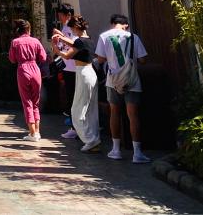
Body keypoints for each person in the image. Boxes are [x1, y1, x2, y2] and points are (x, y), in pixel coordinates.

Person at [95, 14, 150, 163]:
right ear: (126, 25)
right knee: (133, 115)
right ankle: (137, 153)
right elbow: (143, 59)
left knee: (114, 113)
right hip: (132, 80)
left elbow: (100, 59)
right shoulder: (133, 37)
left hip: (112, 80)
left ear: (112, 24)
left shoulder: (104, 36)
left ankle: (116, 150)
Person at [53, 16, 100, 152]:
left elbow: (68, 55)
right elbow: (74, 43)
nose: (72, 32)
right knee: (91, 110)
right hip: (90, 73)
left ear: (75, 27)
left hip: (83, 74)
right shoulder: (89, 39)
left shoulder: (79, 41)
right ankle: (94, 139)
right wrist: (61, 37)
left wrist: (57, 50)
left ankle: (90, 140)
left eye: (72, 29)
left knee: (77, 110)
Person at [8, 19, 46, 142]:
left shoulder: (15, 42)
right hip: (35, 70)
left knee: (27, 102)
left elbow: (12, 59)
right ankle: (37, 132)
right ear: (28, 29)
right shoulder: (36, 41)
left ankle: (32, 132)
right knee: (36, 102)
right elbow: (43, 57)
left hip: (23, 70)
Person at [53, 3, 79, 139]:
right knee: (71, 97)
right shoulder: (65, 27)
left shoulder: (72, 27)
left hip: (74, 68)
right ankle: (74, 126)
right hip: (68, 67)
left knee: (74, 98)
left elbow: (74, 44)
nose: (59, 17)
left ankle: (76, 127)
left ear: (68, 14)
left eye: (61, 15)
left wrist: (61, 36)